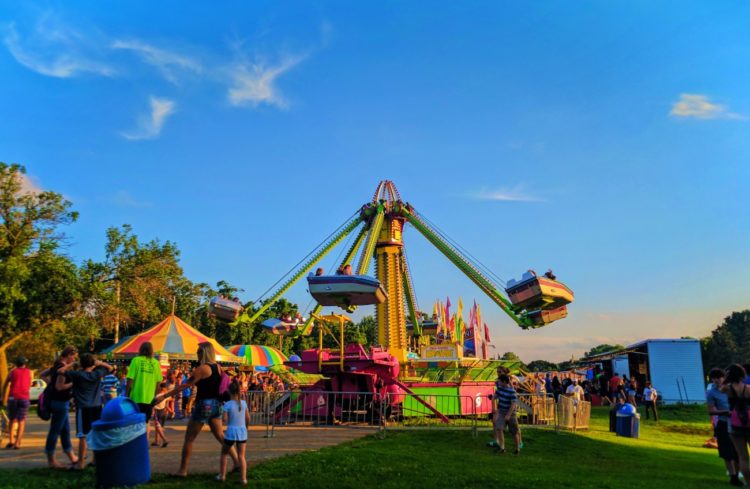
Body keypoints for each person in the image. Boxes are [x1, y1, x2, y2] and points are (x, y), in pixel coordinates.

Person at [153, 342, 239, 477]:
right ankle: (237, 462)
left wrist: (164, 396)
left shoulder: (202, 369)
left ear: (204, 353)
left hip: (204, 404)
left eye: (199, 352)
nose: (197, 354)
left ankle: (183, 471)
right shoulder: (218, 368)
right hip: (217, 405)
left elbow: (184, 386)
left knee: (189, 439)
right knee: (221, 436)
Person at [57, 353, 113, 470]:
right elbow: (111, 368)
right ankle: (95, 460)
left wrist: (73, 363)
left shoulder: (77, 375)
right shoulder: (97, 374)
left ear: (81, 364)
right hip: (97, 407)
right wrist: (99, 363)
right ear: (93, 364)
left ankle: (80, 463)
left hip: (83, 408)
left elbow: (60, 371)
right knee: (96, 434)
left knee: (83, 436)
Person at [41, 346, 79, 469]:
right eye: (73, 357)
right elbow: (60, 387)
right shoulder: (62, 369)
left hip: (59, 402)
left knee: (65, 431)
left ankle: (72, 456)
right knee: (55, 431)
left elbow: (42, 374)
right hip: (60, 403)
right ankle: (51, 460)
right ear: (68, 355)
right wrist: (74, 383)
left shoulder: (55, 366)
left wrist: (50, 384)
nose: (74, 359)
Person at [706, 368, 741, 486]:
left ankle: (738, 473)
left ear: (724, 378)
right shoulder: (711, 393)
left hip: (737, 423)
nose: (717, 380)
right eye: (714, 378)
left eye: (719, 377)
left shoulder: (732, 389)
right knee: (727, 453)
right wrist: (725, 412)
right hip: (723, 423)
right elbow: (711, 411)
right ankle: (733, 477)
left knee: (738, 452)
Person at [126, 342, 163, 440]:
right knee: (146, 422)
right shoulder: (155, 363)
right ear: (151, 351)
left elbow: (130, 379)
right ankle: (144, 443)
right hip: (149, 399)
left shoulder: (136, 360)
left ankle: (136, 442)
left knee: (135, 421)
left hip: (135, 398)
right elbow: (158, 382)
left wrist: (126, 394)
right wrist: (154, 395)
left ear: (140, 349)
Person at [218, 381, 250, 484]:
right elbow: (248, 418)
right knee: (241, 456)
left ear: (229, 391)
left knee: (224, 453)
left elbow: (225, 420)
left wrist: (223, 412)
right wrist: (246, 427)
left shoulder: (227, 404)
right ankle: (243, 479)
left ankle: (222, 475)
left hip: (231, 432)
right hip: (242, 432)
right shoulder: (244, 403)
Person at [722, 364, 750, 484]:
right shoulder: (748, 388)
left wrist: (726, 377)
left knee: (742, 457)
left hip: (734, 424)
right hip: (749, 422)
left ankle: (749, 483)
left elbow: (721, 386)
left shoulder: (727, 389)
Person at [3, 356, 32, 449]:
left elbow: (6, 383)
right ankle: (17, 443)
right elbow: (30, 384)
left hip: (13, 397)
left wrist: (3, 396)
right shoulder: (29, 372)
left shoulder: (12, 372)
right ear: (25, 363)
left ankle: (11, 440)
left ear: (16, 364)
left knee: (12, 420)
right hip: (24, 397)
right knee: (21, 421)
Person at [490, 372, 521, 455]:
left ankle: (517, 449)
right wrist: (494, 408)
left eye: (499, 381)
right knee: (499, 428)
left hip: (511, 414)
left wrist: (508, 415)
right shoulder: (500, 389)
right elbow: (494, 397)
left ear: (504, 381)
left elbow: (513, 405)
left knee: (514, 432)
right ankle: (502, 448)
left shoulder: (512, 392)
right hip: (501, 412)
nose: (498, 383)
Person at [152, 382, 170, 448]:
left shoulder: (157, 396)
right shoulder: (166, 395)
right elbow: (169, 402)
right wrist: (171, 411)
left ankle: (165, 440)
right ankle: (156, 441)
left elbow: (153, 405)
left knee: (158, 427)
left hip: (157, 412)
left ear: (160, 388)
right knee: (159, 427)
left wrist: (152, 411)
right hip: (164, 412)